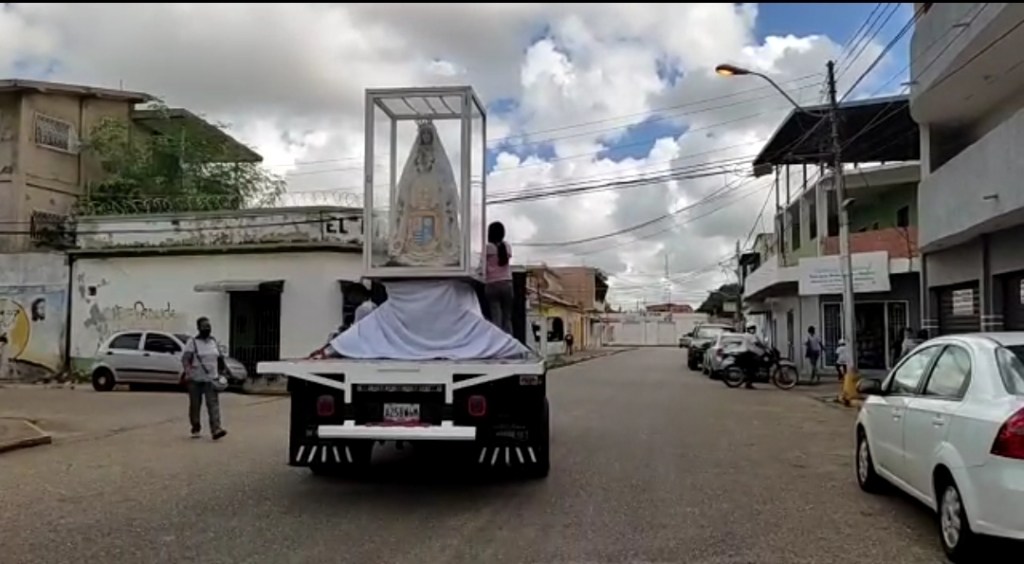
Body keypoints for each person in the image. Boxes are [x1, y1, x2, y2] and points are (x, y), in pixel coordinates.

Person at [181, 317, 228, 440]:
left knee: (213, 405)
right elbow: (185, 359)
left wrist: (222, 372)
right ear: (198, 328)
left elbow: (219, 358)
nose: (207, 328)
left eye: (208, 326)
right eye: (204, 326)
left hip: (211, 379)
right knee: (195, 405)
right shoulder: (193, 342)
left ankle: (216, 429)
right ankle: (196, 426)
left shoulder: (213, 341)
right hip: (195, 379)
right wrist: (188, 372)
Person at [485, 221, 514, 335]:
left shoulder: (488, 248)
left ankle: (497, 340)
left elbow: (481, 265)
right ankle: (509, 341)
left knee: (496, 318)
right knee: (507, 318)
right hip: (507, 283)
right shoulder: (507, 247)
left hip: (492, 284)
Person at [735, 325, 768, 389]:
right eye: (752, 329)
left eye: (754, 329)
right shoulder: (750, 336)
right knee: (754, 366)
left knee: (754, 364)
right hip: (748, 353)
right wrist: (763, 347)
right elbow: (756, 343)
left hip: (746, 352)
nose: (754, 330)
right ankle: (749, 383)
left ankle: (749, 381)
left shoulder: (746, 335)